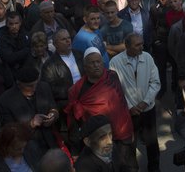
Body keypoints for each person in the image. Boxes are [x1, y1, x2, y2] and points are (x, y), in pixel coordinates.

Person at [65, 48, 137, 170]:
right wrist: (75, 150)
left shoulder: (112, 76)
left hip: (123, 132)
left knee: (130, 166)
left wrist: (130, 129)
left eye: (98, 62)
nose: (96, 65)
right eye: (92, 63)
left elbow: (122, 104)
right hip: (100, 139)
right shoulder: (77, 90)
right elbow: (74, 120)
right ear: (85, 66)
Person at [109, 33, 161, 172]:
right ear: (126, 46)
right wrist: (130, 107)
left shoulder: (147, 58)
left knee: (152, 142)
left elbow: (155, 82)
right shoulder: (115, 62)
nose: (141, 47)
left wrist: (145, 102)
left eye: (142, 44)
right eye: (137, 45)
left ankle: (154, 168)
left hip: (148, 109)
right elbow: (116, 89)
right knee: (130, 144)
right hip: (129, 112)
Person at [0, 66, 59, 152]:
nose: (34, 88)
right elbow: (9, 131)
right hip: (27, 149)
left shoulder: (44, 87)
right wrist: (31, 124)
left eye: (36, 84)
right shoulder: (5, 101)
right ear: (19, 84)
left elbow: (53, 108)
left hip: (51, 143)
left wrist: (52, 115)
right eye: (29, 86)